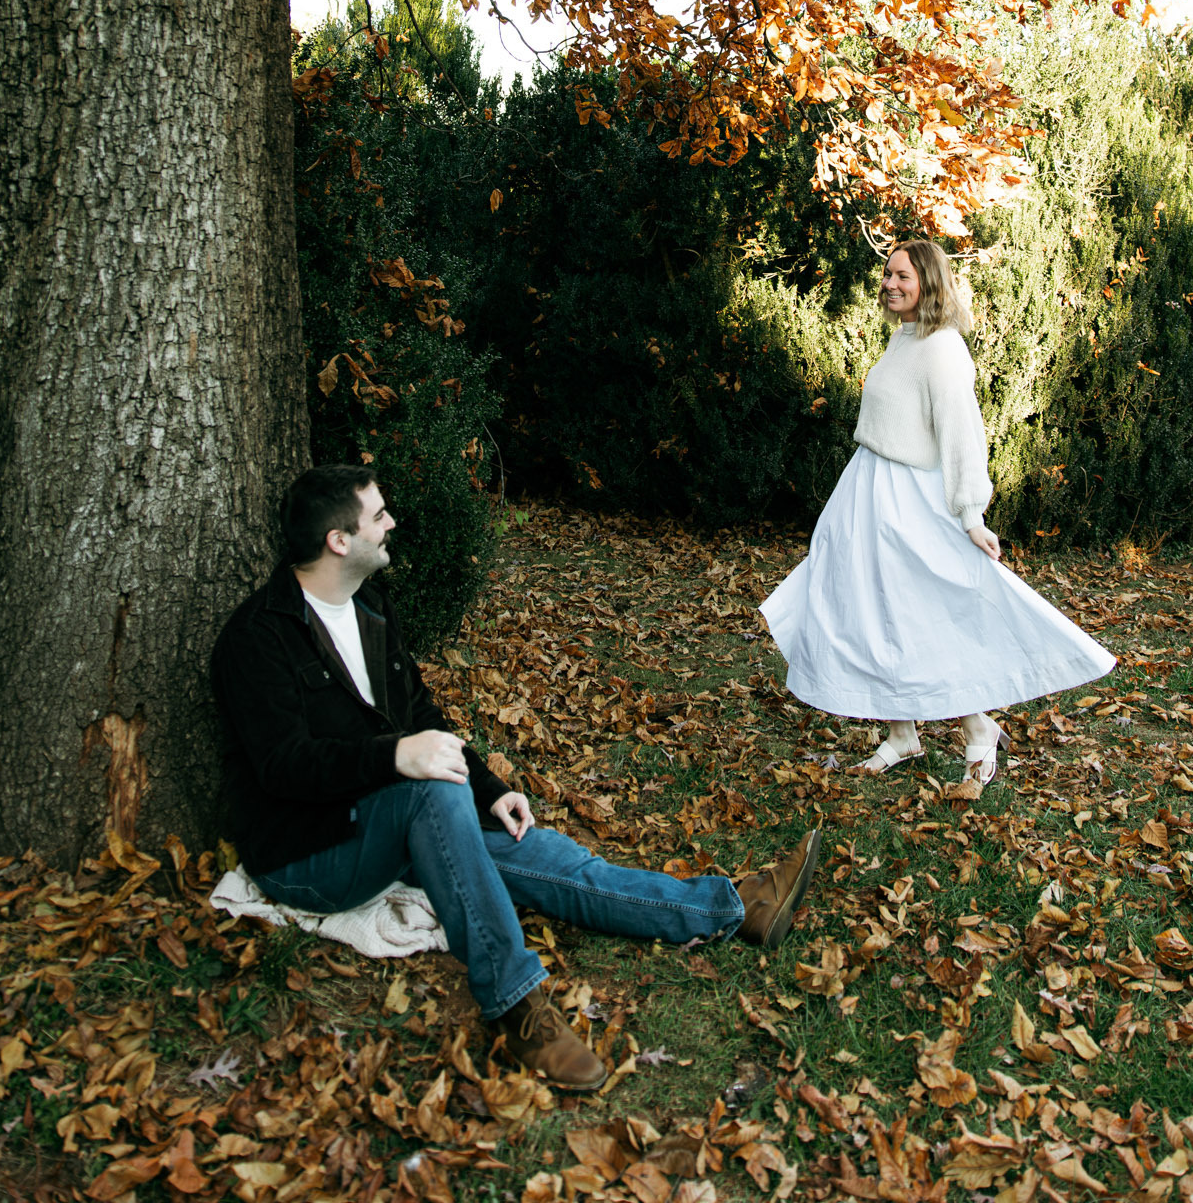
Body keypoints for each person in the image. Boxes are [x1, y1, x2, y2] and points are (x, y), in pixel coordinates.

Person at [212, 463, 822, 1091]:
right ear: (339, 541)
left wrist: (490, 789)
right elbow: (283, 768)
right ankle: (516, 1004)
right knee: (428, 796)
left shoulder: (368, 605)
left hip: (393, 815)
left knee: (548, 855)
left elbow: (421, 715)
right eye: (378, 515)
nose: (392, 522)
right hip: (311, 853)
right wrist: (395, 759)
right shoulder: (260, 637)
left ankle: (733, 905)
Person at [761, 239, 1115, 781]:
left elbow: (961, 435)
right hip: (866, 491)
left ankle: (977, 725)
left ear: (928, 281)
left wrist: (971, 513)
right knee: (868, 610)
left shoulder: (944, 348)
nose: (890, 284)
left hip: (907, 501)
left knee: (913, 612)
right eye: (887, 274)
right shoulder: (905, 337)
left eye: (903, 275)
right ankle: (902, 736)